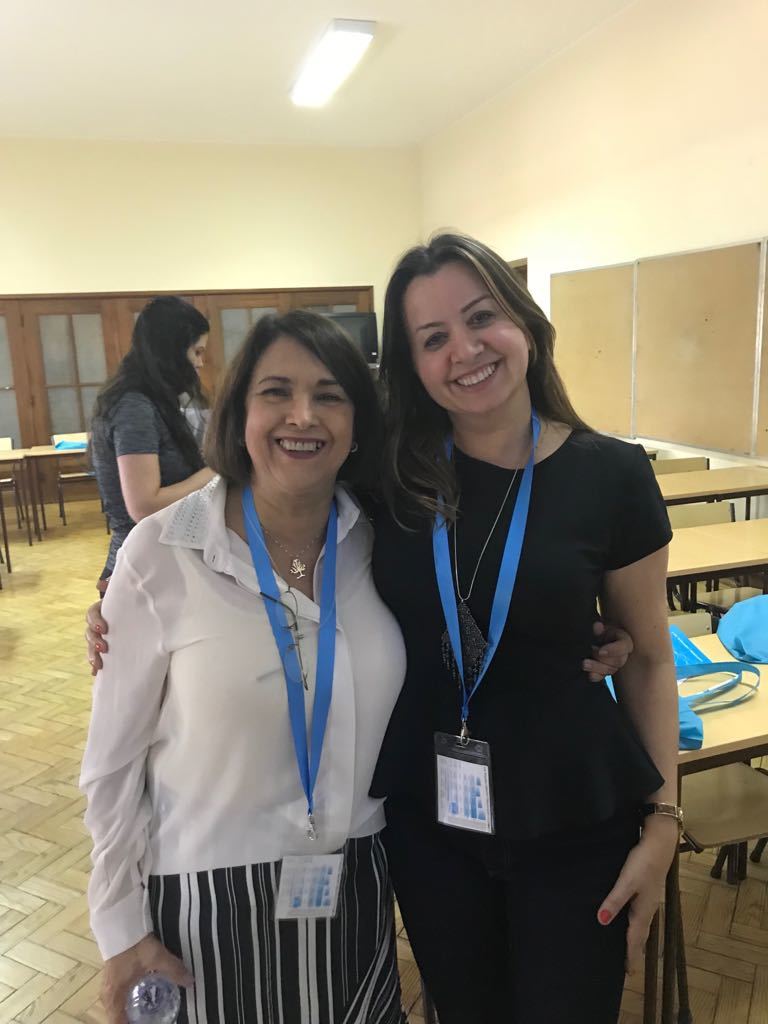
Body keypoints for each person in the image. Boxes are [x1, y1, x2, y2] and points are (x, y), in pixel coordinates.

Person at [368, 234, 680, 1023]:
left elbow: (646, 659)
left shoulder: (612, 474)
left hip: (573, 814)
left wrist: (666, 821)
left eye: (483, 318)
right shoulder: (385, 477)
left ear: (527, 325)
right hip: (429, 820)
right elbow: (270, 511)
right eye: (433, 338)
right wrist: (127, 589)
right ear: (411, 364)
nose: (465, 351)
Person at [80, 311, 408, 1024]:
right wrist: (120, 929)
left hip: (356, 883)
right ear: (238, 413)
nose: (302, 415)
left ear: (357, 421)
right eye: (276, 392)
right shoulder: (161, 552)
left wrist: (588, 632)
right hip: (202, 904)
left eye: (329, 394)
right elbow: (111, 767)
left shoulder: (380, 541)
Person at [90, 296, 215, 593]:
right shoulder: (134, 405)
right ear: (172, 351)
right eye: (196, 352)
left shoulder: (154, 401)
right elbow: (144, 505)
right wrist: (217, 470)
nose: (200, 363)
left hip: (160, 559)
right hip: (141, 565)